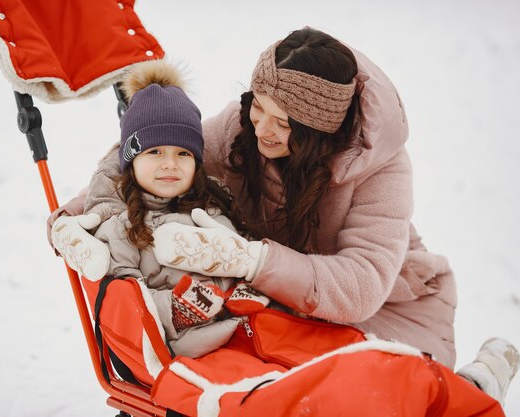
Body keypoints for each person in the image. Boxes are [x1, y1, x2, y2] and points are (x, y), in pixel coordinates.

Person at [49, 27, 518, 404]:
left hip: (385, 308)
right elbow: (150, 155)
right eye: (259, 107)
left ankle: (481, 379)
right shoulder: (244, 124)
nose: (262, 129)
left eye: (285, 122)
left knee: (383, 397)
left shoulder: (383, 171)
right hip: (279, 310)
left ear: (320, 129)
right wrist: (77, 218)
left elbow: (362, 286)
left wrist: (252, 261)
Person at [51, 60, 270, 359]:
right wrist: (175, 309)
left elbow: (239, 252)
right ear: (131, 161)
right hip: (175, 345)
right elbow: (123, 301)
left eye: (183, 153)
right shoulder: (120, 225)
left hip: (237, 328)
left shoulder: (211, 207)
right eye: (155, 153)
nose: (170, 164)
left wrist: (242, 287)